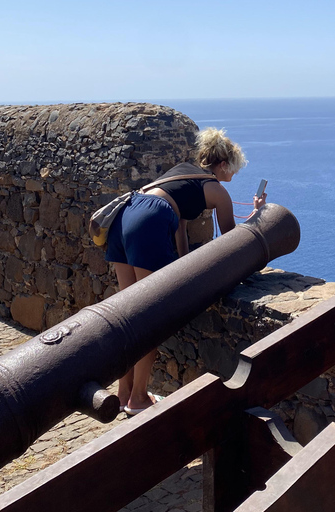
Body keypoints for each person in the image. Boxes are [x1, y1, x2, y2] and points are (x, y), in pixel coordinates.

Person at [105, 127, 267, 415]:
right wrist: (258, 215)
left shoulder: (182, 172)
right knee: (149, 316)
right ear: (223, 165)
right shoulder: (218, 190)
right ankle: (138, 398)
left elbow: (178, 224)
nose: (234, 174)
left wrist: (183, 263)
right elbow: (233, 242)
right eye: (234, 169)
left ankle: (122, 393)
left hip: (126, 215)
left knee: (126, 315)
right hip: (150, 220)